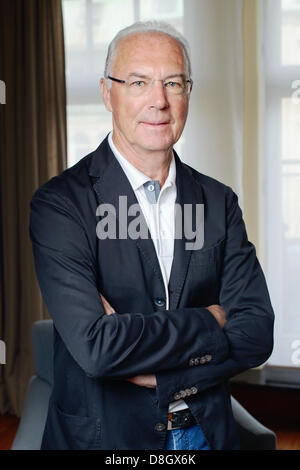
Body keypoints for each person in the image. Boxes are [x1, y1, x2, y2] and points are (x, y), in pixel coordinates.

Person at [29, 20, 274, 451]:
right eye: (139, 82)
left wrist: (162, 373)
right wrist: (212, 319)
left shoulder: (219, 202)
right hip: (105, 439)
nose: (158, 101)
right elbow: (98, 349)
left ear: (188, 94)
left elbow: (256, 334)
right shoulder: (60, 204)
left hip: (205, 434)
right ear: (108, 92)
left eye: (173, 83)